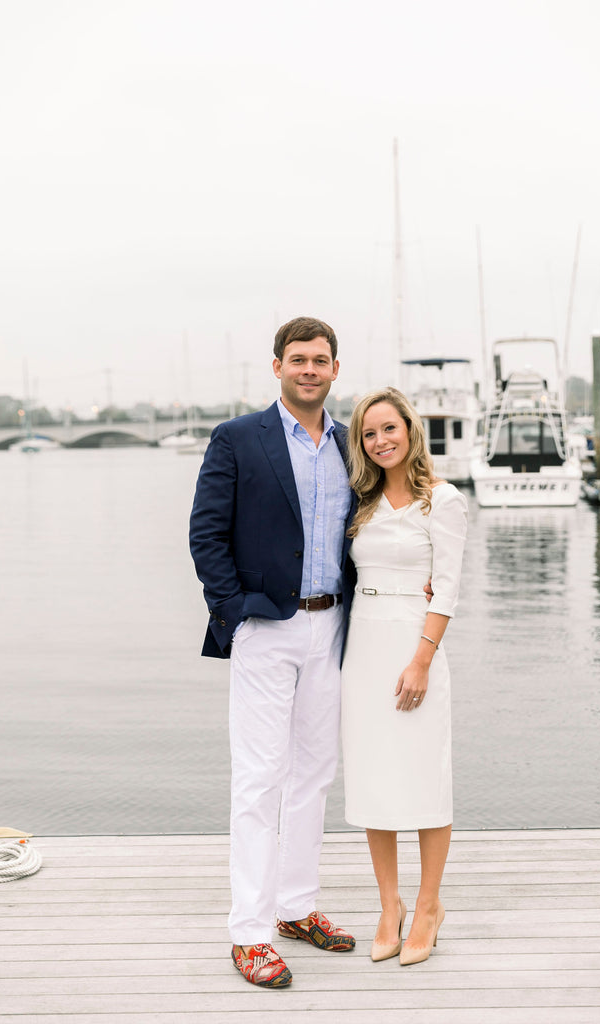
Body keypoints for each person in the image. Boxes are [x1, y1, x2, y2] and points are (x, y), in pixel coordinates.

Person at [189, 316, 357, 989]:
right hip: (266, 626)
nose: (309, 369)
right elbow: (206, 536)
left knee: (314, 774)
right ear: (277, 366)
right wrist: (236, 614)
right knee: (259, 781)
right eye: (297, 359)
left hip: (333, 628)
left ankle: (296, 909)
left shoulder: (351, 444)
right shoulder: (237, 439)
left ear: (335, 369)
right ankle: (249, 933)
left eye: (320, 359)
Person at [341, 386, 467, 966]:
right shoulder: (358, 503)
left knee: (423, 778)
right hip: (363, 647)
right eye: (369, 433)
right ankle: (387, 906)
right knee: (373, 781)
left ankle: (428, 905)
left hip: (414, 646)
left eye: (389, 428)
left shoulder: (441, 500)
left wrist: (421, 659)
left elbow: (447, 585)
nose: (380, 440)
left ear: (410, 431)